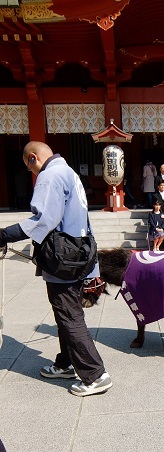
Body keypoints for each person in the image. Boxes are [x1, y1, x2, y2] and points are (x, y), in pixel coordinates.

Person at [0, 141, 112, 397]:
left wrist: (5, 235)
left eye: (30, 168)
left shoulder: (49, 176)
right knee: (66, 312)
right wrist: (93, 267)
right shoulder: (70, 173)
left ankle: (95, 374)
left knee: (68, 315)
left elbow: (44, 220)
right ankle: (67, 362)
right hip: (78, 253)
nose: (33, 174)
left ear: (32, 158)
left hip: (63, 258)